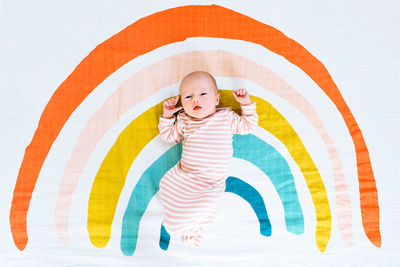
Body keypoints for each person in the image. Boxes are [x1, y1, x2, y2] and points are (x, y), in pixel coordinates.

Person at [158, 71, 258, 247]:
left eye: (203, 94)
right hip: (187, 176)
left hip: (211, 181)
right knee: (167, 186)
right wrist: (167, 116)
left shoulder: (226, 117)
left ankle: (189, 227)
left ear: (217, 99)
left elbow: (247, 126)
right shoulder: (184, 120)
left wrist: (246, 104)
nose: (195, 100)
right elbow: (167, 136)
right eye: (188, 97)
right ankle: (185, 225)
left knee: (204, 205)